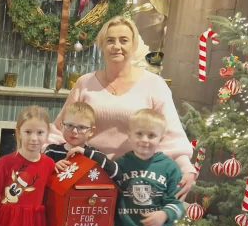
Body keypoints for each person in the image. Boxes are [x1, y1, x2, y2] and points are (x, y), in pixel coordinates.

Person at [51, 16, 197, 201]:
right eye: (110, 40)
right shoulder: (84, 83)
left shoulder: (155, 84)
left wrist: (186, 167)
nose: (116, 46)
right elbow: (60, 128)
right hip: (88, 177)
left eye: (124, 40)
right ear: (102, 45)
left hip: (136, 179)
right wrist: (46, 158)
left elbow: (171, 134)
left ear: (134, 45)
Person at [44, 100, 121, 226]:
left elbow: (116, 174)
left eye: (81, 127)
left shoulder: (95, 154)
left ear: (91, 131)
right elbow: (40, 178)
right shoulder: (52, 151)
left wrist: (87, 153)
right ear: (62, 125)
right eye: (69, 125)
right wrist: (51, 167)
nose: (74, 131)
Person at [112, 108, 185, 226]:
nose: (145, 140)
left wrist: (164, 214)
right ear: (129, 135)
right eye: (139, 134)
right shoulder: (119, 164)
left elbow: (178, 203)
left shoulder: (169, 167)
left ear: (161, 138)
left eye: (151, 135)